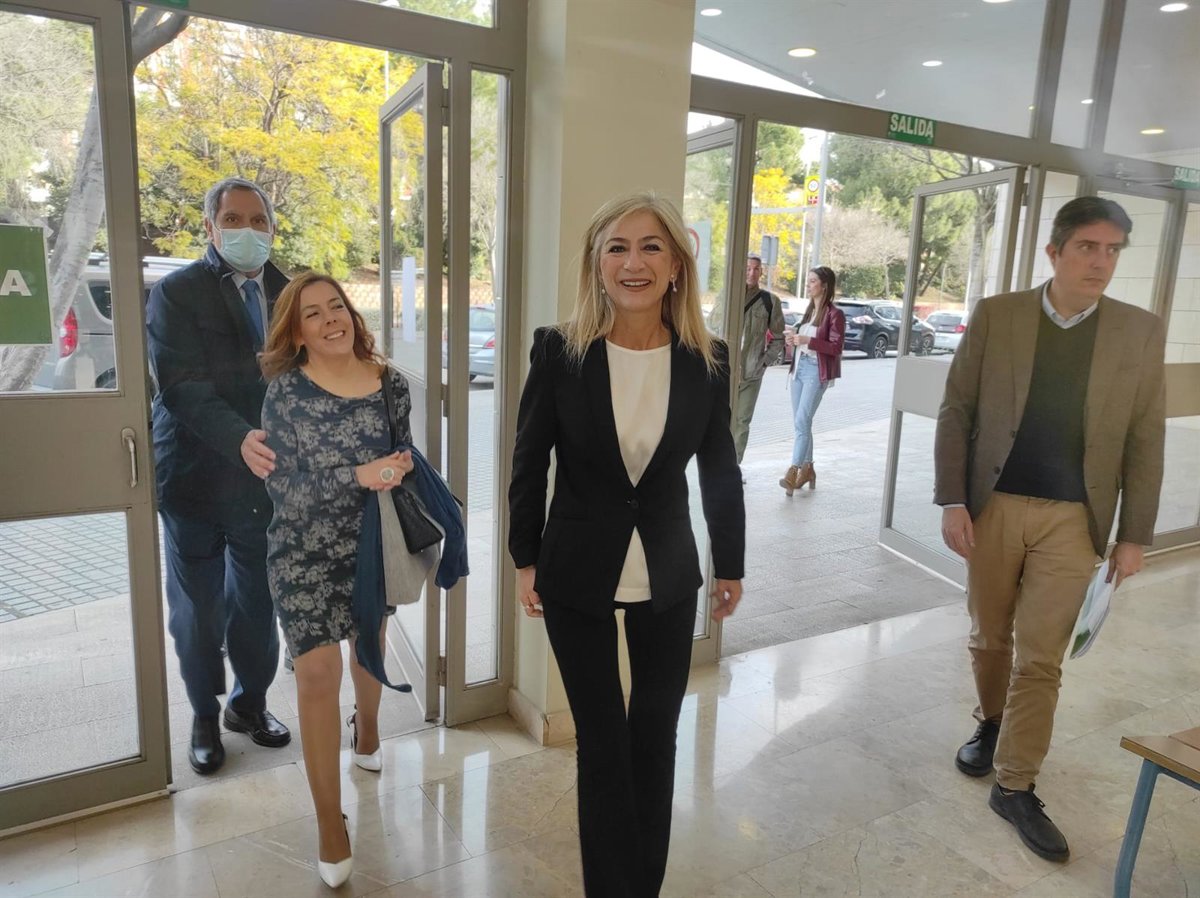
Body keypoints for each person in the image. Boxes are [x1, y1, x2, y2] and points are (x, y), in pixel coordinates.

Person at [508, 192, 745, 898]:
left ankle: (643, 885)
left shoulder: (708, 358)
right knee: (603, 743)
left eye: (650, 247)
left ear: (676, 265)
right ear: (597, 263)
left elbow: (720, 468)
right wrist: (525, 559)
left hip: (667, 572)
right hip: (576, 568)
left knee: (655, 736)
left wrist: (730, 564)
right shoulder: (560, 351)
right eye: (617, 246)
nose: (632, 262)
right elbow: (528, 462)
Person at [935, 196, 1166, 863]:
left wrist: (1134, 535)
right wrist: (953, 499)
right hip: (995, 506)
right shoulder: (998, 315)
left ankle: (1015, 783)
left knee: (1041, 658)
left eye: (1112, 250)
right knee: (989, 636)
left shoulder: (1139, 331)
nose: (1101, 262)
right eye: (1088, 247)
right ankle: (992, 722)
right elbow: (958, 410)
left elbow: (1145, 437)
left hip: (1074, 518)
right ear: (1055, 251)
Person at [260, 272, 414, 888]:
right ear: (297, 333)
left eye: (337, 307)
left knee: (367, 648)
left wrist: (396, 468)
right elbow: (283, 485)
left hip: (371, 546)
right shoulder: (285, 392)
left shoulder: (390, 383)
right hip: (301, 552)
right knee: (318, 674)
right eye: (313, 314)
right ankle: (330, 821)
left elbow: (403, 458)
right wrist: (359, 474)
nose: (331, 320)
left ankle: (367, 729)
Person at [146, 177, 291, 775]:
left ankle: (248, 704)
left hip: (265, 478)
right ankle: (204, 713)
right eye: (233, 219)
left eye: (259, 220)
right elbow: (181, 386)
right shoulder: (176, 293)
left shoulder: (290, 291)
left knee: (257, 601)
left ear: (272, 228)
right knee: (198, 608)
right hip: (195, 475)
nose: (247, 231)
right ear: (209, 227)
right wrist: (237, 439)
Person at [713, 253, 785, 470]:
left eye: (756, 269)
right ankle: (718, 465)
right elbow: (712, 326)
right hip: (725, 370)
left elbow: (778, 337)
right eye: (747, 268)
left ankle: (732, 468)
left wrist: (764, 362)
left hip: (751, 372)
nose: (751, 273)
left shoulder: (770, 301)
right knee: (720, 420)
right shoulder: (726, 295)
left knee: (742, 422)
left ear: (761, 272)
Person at [779, 266, 844, 496]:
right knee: (802, 423)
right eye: (809, 280)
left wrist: (808, 340)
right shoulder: (809, 311)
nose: (808, 284)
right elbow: (804, 340)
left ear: (824, 286)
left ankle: (793, 470)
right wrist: (794, 339)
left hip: (817, 371)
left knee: (802, 420)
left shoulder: (835, 314)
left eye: (813, 281)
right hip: (799, 369)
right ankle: (808, 469)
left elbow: (836, 347)